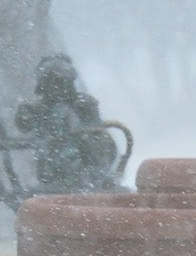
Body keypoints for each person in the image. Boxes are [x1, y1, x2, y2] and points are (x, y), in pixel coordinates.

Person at [13, 53, 119, 193]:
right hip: (52, 172)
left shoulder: (83, 105)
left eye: (63, 81)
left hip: (84, 175)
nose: (59, 86)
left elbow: (100, 142)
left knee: (89, 143)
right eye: (52, 81)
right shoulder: (37, 109)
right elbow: (23, 125)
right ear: (43, 84)